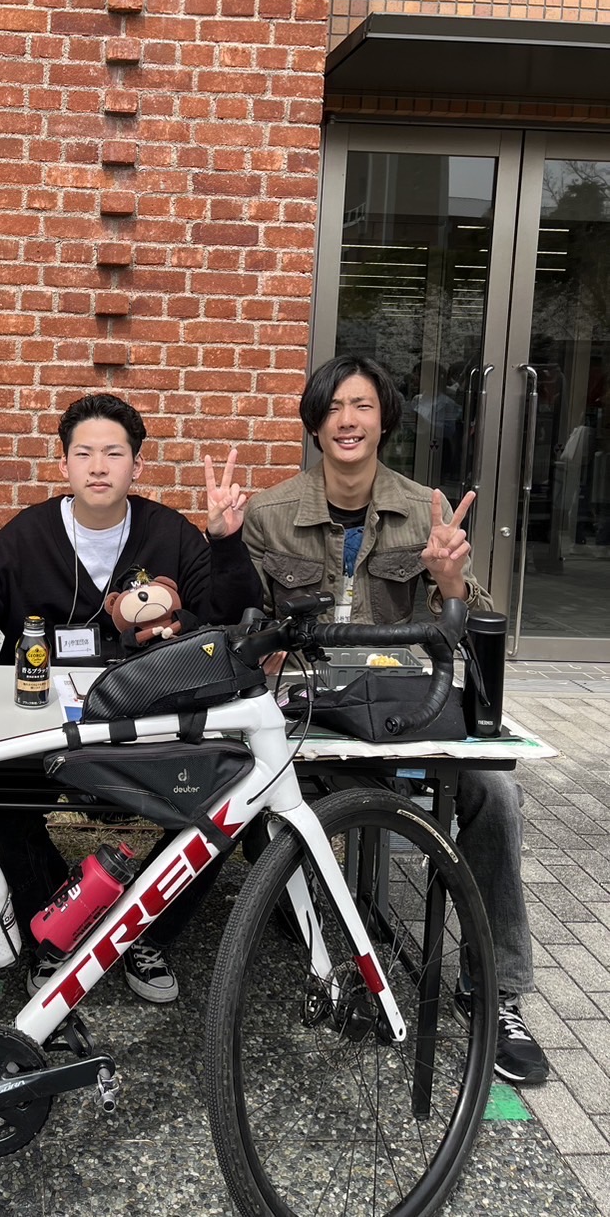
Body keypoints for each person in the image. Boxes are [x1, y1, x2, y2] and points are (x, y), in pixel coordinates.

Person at [242, 353, 550, 1085]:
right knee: (245, 795)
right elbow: (241, 620)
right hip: (310, 715)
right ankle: (311, 940)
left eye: (363, 406)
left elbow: (472, 626)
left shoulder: (423, 509)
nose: (348, 420)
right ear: (314, 423)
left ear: (385, 420)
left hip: (403, 712)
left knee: (495, 793)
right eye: (333, 407)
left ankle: (494, 989)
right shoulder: (270, 513)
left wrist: (450, 579)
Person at [0, 391, 265, 1004]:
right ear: (64, 464)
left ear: (137, 464)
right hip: (39, 709)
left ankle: (146, 929)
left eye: (114, 453)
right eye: (84, 454)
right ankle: (65, 925)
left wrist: (225, 542)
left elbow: (228, 613)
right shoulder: (30, 533)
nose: (99, 467)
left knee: (228, 796)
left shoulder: (169, 532)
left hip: (148, 707)